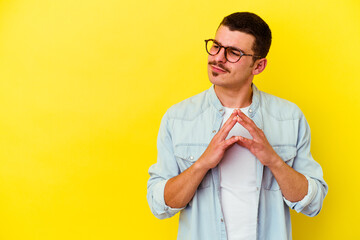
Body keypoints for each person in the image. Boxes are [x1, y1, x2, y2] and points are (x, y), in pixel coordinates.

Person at [147, 12, 328, 240]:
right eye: (216, 46)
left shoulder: (290, 117)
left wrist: (273, 160)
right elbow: (159, 205)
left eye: (233, 52)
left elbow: (313, 204)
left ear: (258, 66)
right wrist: (202, 164)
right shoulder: (178, 117)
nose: (218, 58)